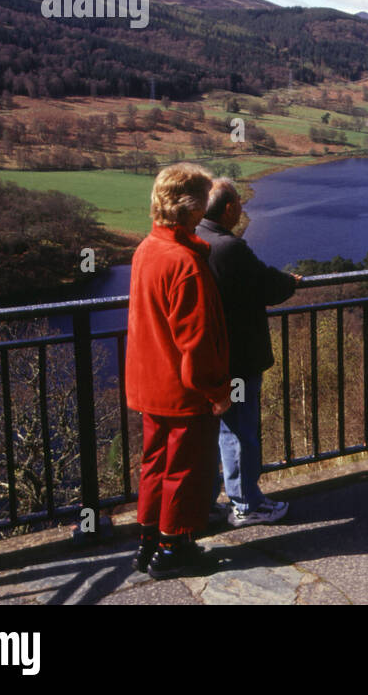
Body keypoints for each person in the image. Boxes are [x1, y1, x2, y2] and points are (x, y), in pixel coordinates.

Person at [126, 163, 232, 579]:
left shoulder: (146, 249)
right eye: (204, 199)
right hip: (182, 388)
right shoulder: (184, 263)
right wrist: (216, 390)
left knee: (155, 463)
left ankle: (149, 540)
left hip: (149, 382)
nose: (208, 206)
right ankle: (174, 550)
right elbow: (197, 341)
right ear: (190, 207)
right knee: (186, 469)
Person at [198, 177, 299, 526]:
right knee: (240, 429)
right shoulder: (229, 247)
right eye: (239, 202)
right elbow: (269, 285)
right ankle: (246, 504)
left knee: (209, 431)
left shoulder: (194, 238)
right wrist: (292, 282)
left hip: (203, 355)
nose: (243, 207)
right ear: (229, 209)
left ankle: (206, 503)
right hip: (238, 356)